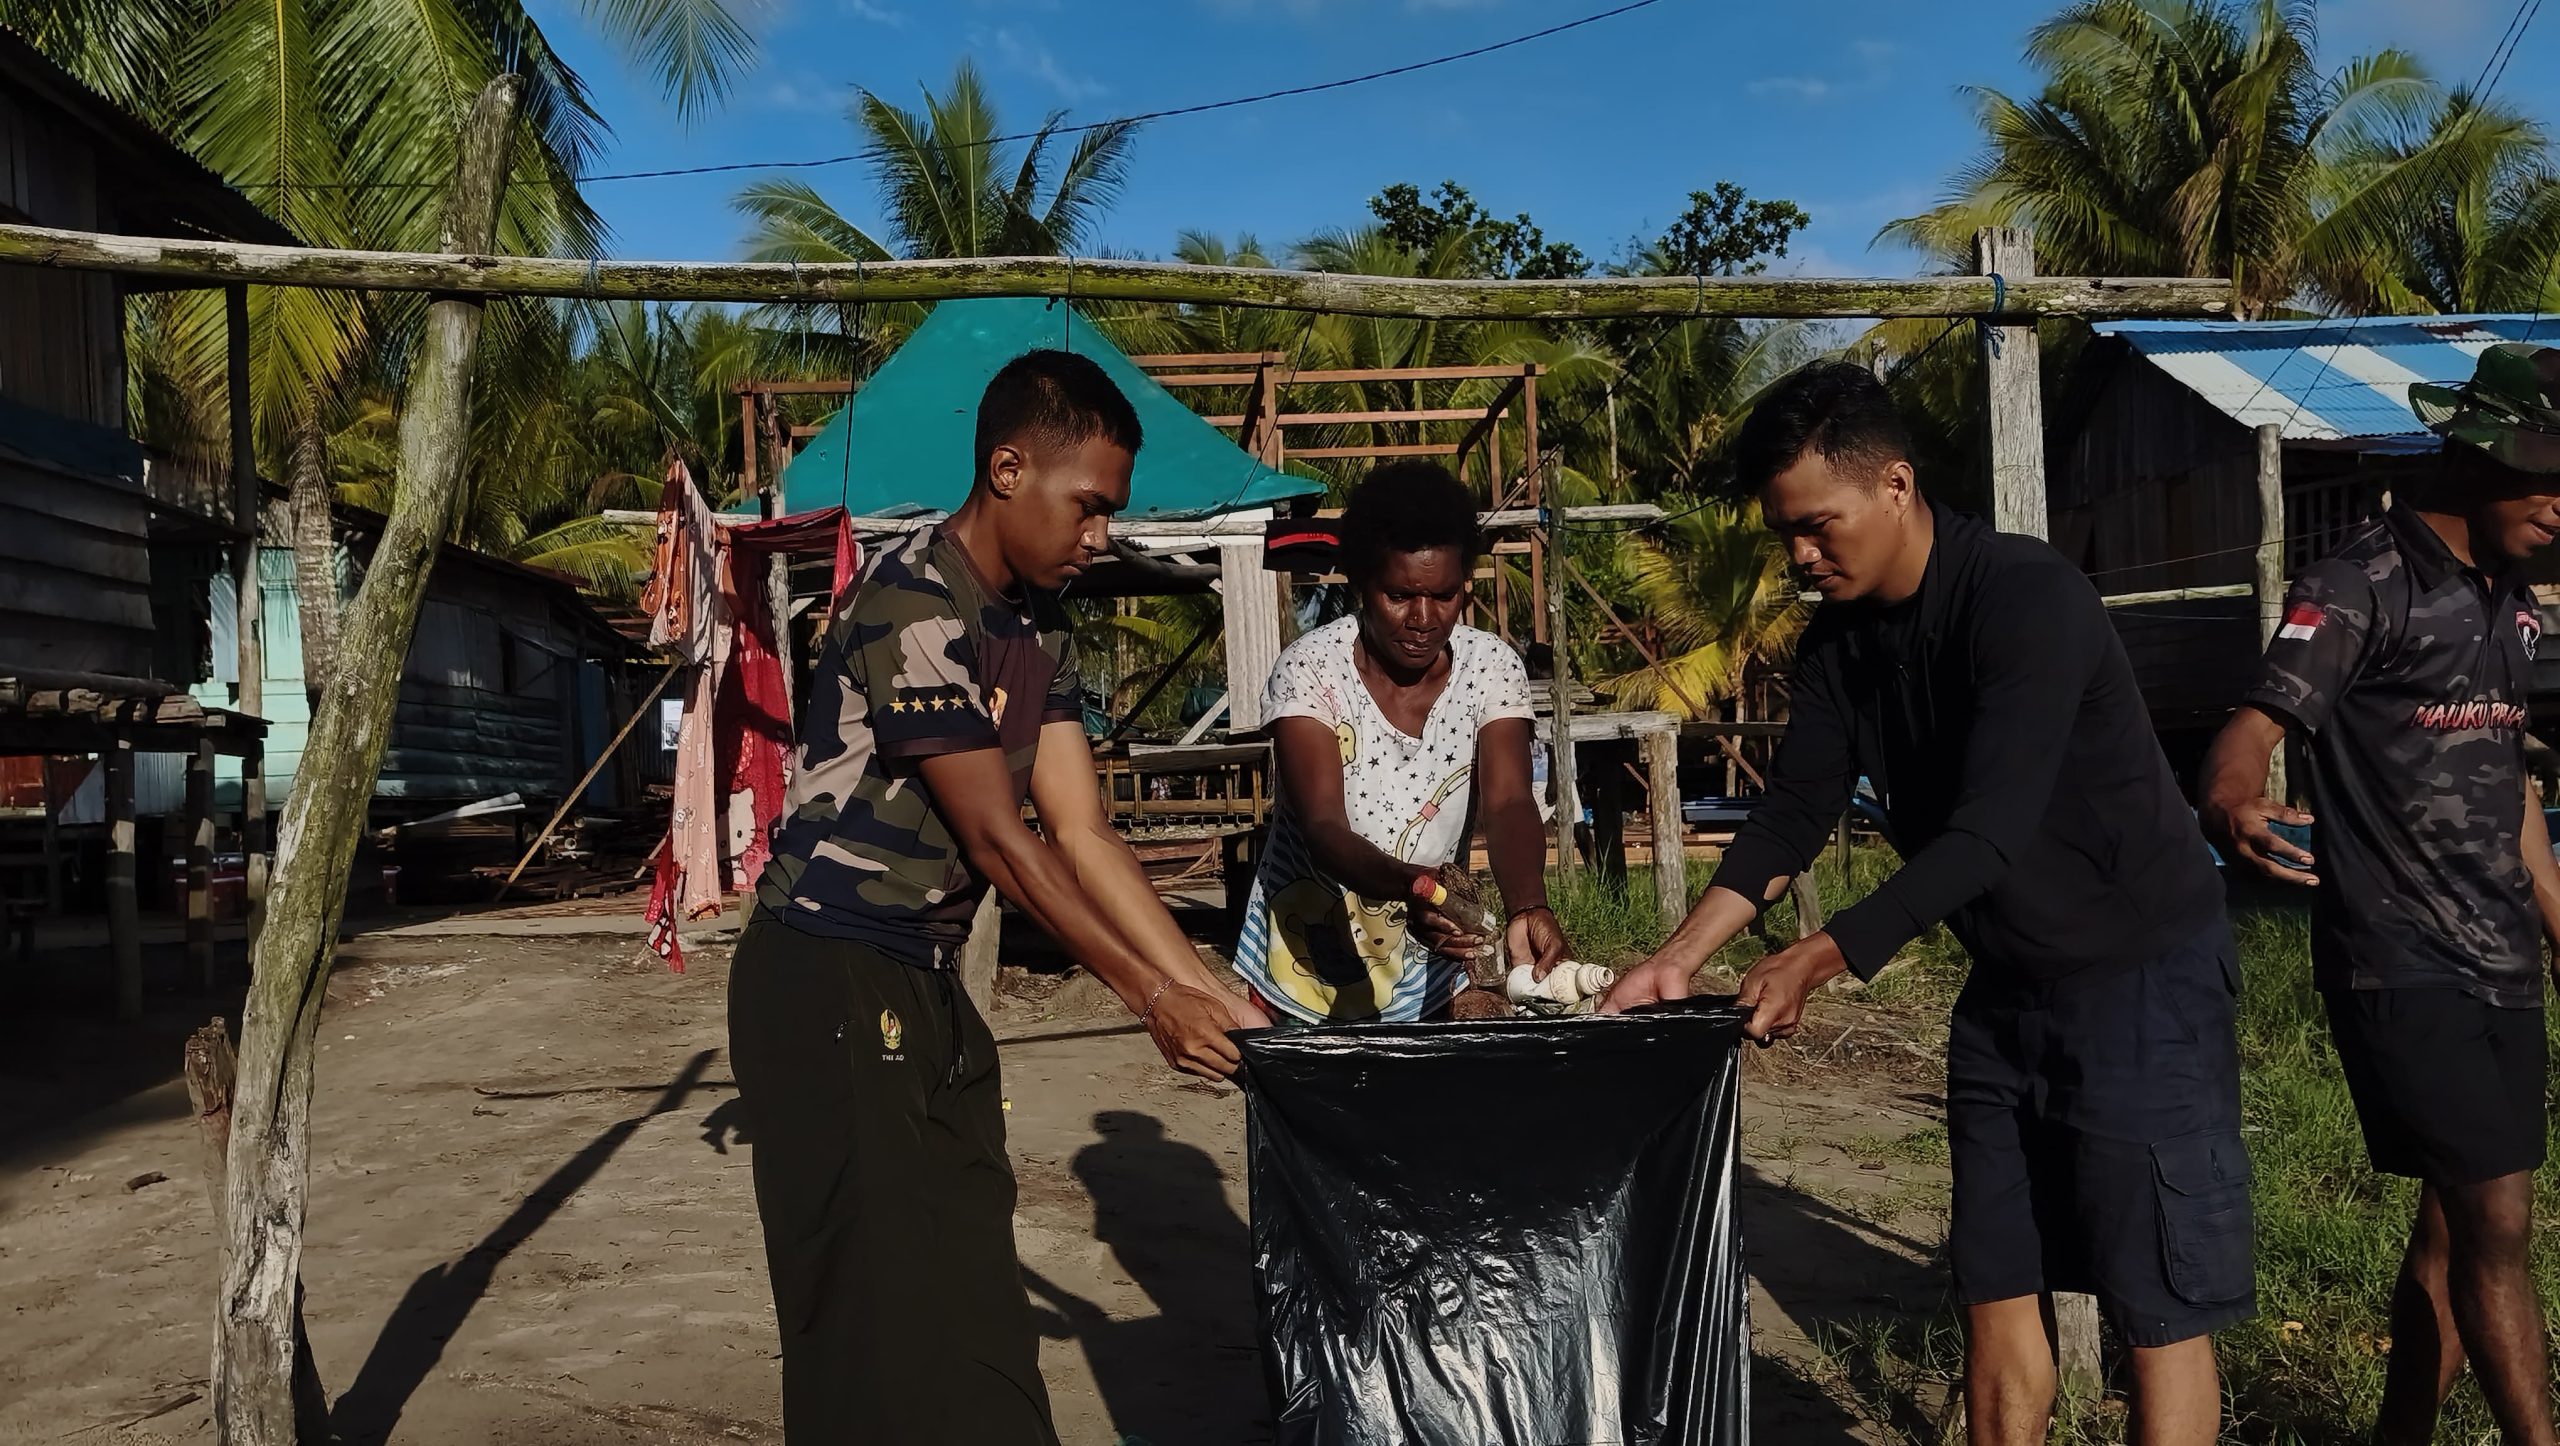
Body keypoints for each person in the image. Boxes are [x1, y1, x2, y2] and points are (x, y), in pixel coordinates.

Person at [1603, 362, 2250, 1446]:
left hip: (2141, 978)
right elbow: (1789, 816)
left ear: (1895, 486)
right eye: (1784, 536)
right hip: (2004, 995)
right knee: (1995, 1287)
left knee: (2158, 1314)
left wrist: (1818, 956)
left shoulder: (2025, 597)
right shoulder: (1838, 647)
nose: (1800, 556)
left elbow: (1988, 834)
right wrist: (1681, 956)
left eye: (1816, 526)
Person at [728, 348, 1267, 1444]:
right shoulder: (910, 600)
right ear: (1010, 469)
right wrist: (1146, 1000)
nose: (1099, 535)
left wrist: (1205, 985)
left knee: (973, 1275)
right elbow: (1000, 838)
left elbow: (1083, 830)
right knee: (866, 1316)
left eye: (1109, 515)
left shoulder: (1040, 629)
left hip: (922, 977)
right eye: (1089, 508)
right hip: (826, 970)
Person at [2200, 343, 2560, 1446]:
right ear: (2470, 460)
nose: (2556, 506)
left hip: (2501, 960)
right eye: (2538, 475)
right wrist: (2232, 802)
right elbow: (2248, 734)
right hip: (2401, 962)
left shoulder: (2514, 605)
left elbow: (2511, 786)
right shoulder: (2357, 584)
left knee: (2449, 1236)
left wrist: (2557, 921)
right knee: (2498, 1223)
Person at [1231, 461, 1573, 1023]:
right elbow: (1324, 828)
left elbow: (1509, 800)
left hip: (1428, 970)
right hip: (1304, 972)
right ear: (1362, 583)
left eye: (1443, 596)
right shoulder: (1311, 670)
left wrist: (1528, 906)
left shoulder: (1490, 667)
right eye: (1399, 596)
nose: (1423, 618)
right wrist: (1415, 886)